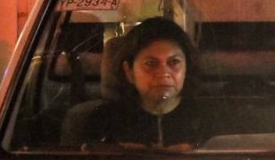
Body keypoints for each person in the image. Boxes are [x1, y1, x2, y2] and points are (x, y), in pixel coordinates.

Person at [81, 17, 208, 148]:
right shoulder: (104, 121)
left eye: (174, 62)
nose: (163, 72)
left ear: (187, 68)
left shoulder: (210, 118)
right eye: (151, 63)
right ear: (129, 71)